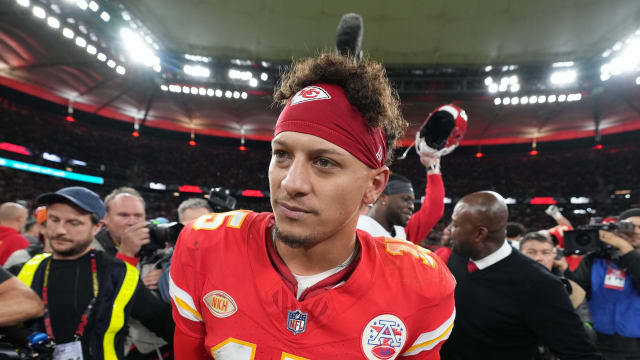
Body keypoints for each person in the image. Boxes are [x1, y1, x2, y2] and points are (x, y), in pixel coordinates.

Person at [170, 52, 456, 359]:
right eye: (282, 155)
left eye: (324, 162)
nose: (292, 183)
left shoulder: (419, 286)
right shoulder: (206, 246)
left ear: (373, 186)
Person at [436, 191, 601, 360]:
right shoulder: (458, 256)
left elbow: (581, 354)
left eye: (455, 225)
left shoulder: (540, 284)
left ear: (480, 234)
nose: (448, 230)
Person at [16, 186, 173, 359]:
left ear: (97, 227)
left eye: (73, 223)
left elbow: (162, 321)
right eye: (54, 220)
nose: (60, 230)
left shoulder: (118, 273)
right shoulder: (28, 268)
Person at [565, 208, 640, 359]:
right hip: (601, 341)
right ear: (618, 229)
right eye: (630, 226)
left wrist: (627, 250)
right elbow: (575, 294)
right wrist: (562, 270)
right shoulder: (596, 260)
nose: (636, 231)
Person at [357, 162, 444, 244]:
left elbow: (433, 211)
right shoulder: (358, 229)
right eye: (405, 199)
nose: (412, 207)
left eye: (412, 201)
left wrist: (432, 166)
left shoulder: (400, 231)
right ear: (383, 198)